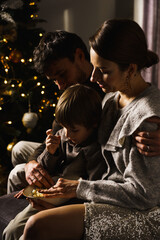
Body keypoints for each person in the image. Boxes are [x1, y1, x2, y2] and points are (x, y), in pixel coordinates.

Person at [18, 19, 160, 240]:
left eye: (102, 70)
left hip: (139, 211)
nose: (92, 78)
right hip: (103, 190)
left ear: (131, 69)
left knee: (37, 225)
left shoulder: (147, 120)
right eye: (94, 68)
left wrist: (78, 189)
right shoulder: (111, 97)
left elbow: (143, 195)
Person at [2, 83, 107, 240]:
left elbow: (90, 192)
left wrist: (54, 207)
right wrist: (51, 152)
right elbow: (46, 167)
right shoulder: (65, 134)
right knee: (17, 177)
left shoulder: (95, 151)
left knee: (12, 232)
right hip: (49, 188)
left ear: (94, 124)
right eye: (64, 127)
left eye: (74, 130)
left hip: (63, 200)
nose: (67, 133)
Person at [7, 30, 104, 193]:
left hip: (78, 159)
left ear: (79, 55)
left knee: (16, 173)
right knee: (19, 148)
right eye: (54, 80)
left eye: (62, 74)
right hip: (64, 148)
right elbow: (57, 132)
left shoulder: (101, 88)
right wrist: (32, 163)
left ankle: (26, 203)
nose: (60, 85)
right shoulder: (69, 88)